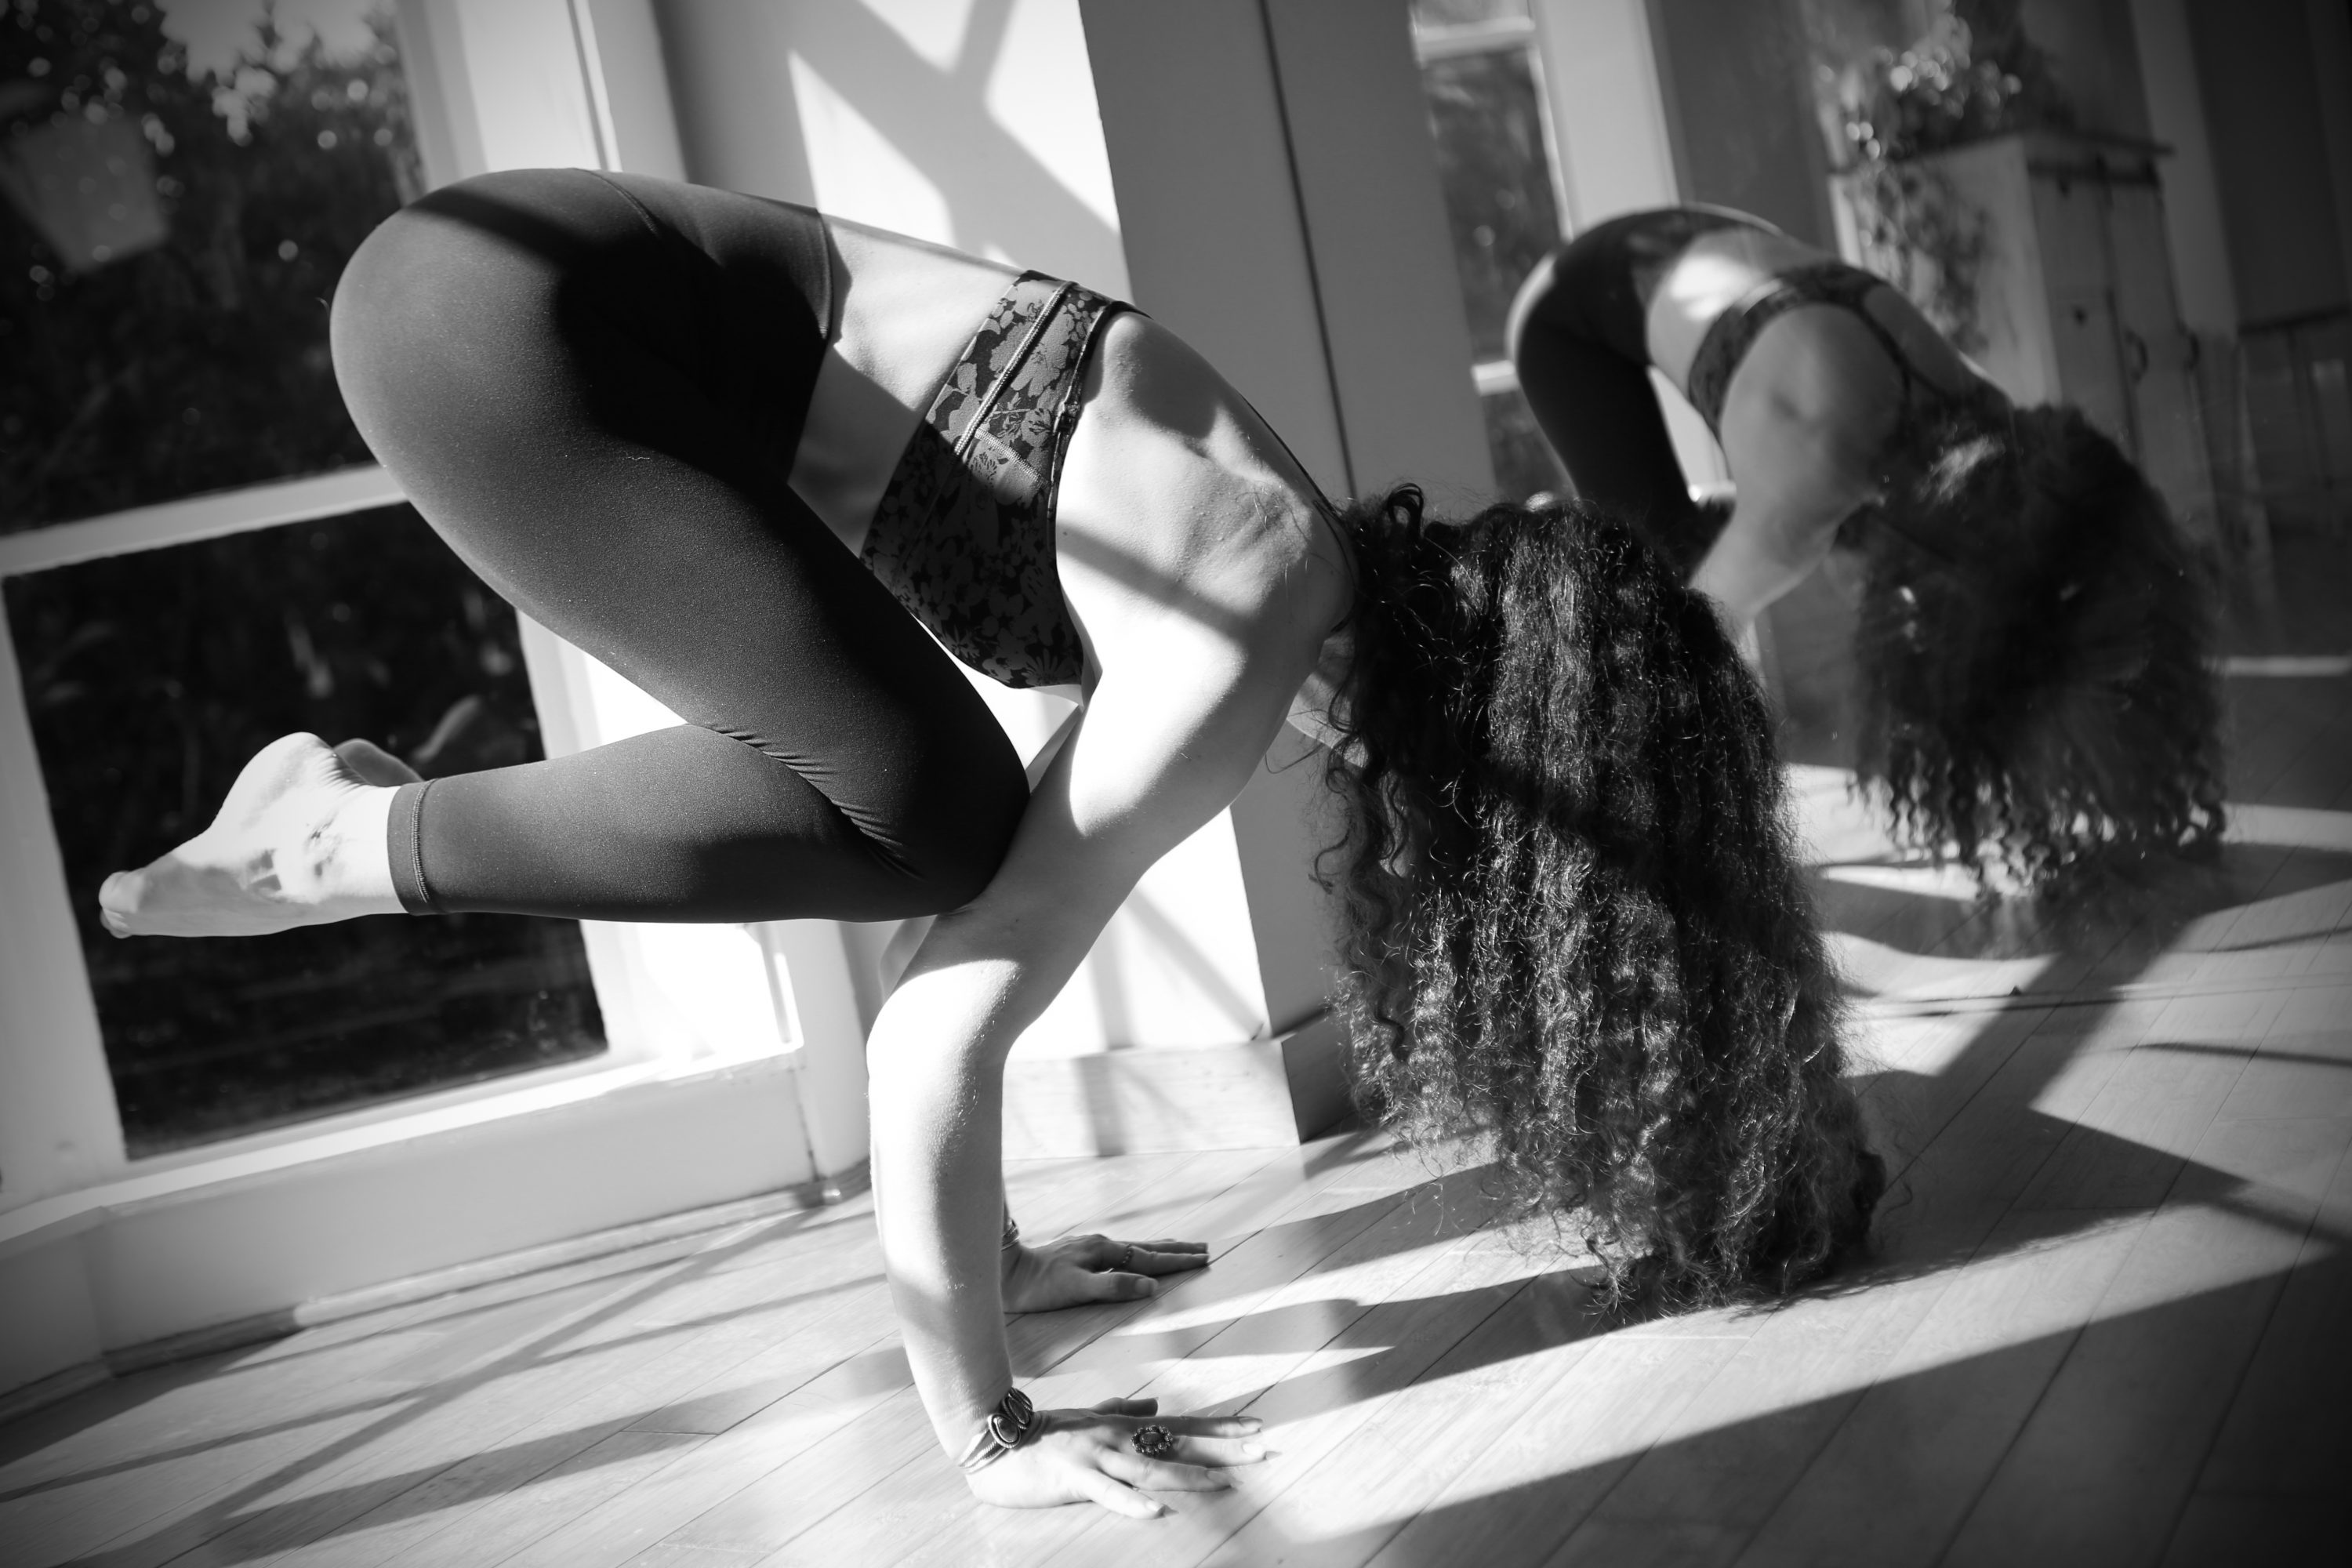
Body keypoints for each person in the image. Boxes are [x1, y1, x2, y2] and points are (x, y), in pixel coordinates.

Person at [99, 171, 1880, 1515]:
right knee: (930, 812)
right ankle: (330, 837)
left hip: (504, 293)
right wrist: (986, 1429)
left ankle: (341, 823)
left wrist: (1005, 1254)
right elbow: (937, 1026)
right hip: (498, 323)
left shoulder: (1264, 557)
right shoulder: (1241, 616)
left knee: (939, 820)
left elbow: (958, 929)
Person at [1508, 205, 2226, 889]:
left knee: (1785, 536)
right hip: (1574, 311)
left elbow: (2044, 598)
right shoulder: (1809, 488)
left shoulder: (1997, 438)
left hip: (1723, 257)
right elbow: (1677, 656)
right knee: (1656, 604)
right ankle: (1554, 543)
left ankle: (1709, 519)